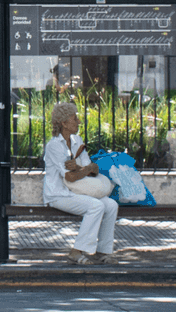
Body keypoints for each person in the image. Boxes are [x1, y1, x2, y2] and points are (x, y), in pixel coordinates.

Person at [43, 101, 118, 264]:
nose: (78, 122)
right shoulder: (54, 146)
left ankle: (103, 252)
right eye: (74, 118)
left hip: (81, 191)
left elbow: (93, 169)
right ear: (64, 123)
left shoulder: (77, 140)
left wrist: (84, 168)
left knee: (111, 205)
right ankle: (77, 251)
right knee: (96, 206)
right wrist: (84, 169)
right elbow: (70, 177)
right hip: (59, 194)